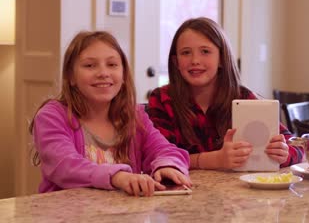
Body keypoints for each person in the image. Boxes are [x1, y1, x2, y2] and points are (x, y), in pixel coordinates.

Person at [30, 31, 191, 197]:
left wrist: (167, 166)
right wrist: (117, 177)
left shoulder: (135, 116)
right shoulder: (52, 116)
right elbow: (65, 166)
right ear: (71, 76)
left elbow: (165, 150)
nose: (103, 73)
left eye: (112, 65)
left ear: (123, 75)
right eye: (89, 65)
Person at [147, 17, 303, 170]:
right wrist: (213, 160)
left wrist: (283, 153)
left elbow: (297, 147)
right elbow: (158, 156)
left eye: (205, 51)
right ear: (176, 63)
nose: (195, 60)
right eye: (186, 52)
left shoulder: (244, 99)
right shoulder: (162, 99)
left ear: (222, 58)